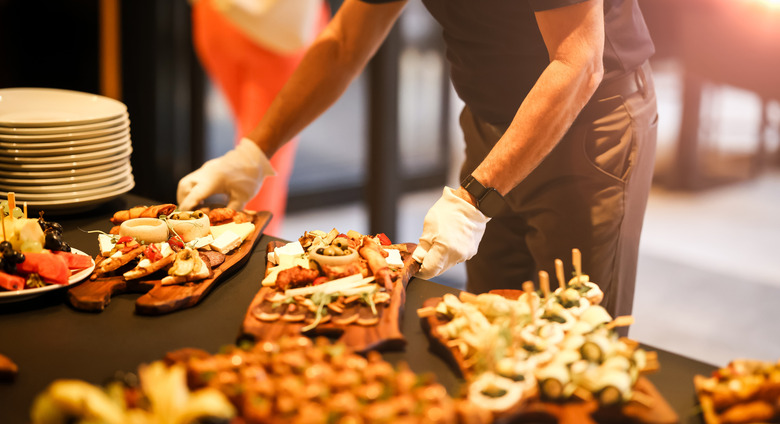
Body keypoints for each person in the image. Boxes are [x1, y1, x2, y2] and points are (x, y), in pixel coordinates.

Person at [177, 0, 657, 322]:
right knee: (486, 323)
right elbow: (344, 43)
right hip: (493, 126)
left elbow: (579, 61)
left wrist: (476, 197)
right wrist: (254, 150)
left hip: (590, 129)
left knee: (576, 334)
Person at [180, 0, 330, 236]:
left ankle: (240, 252)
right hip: (275, 26)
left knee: (254, 145)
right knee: (261, 164)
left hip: (220, 15)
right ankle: (252, 261)